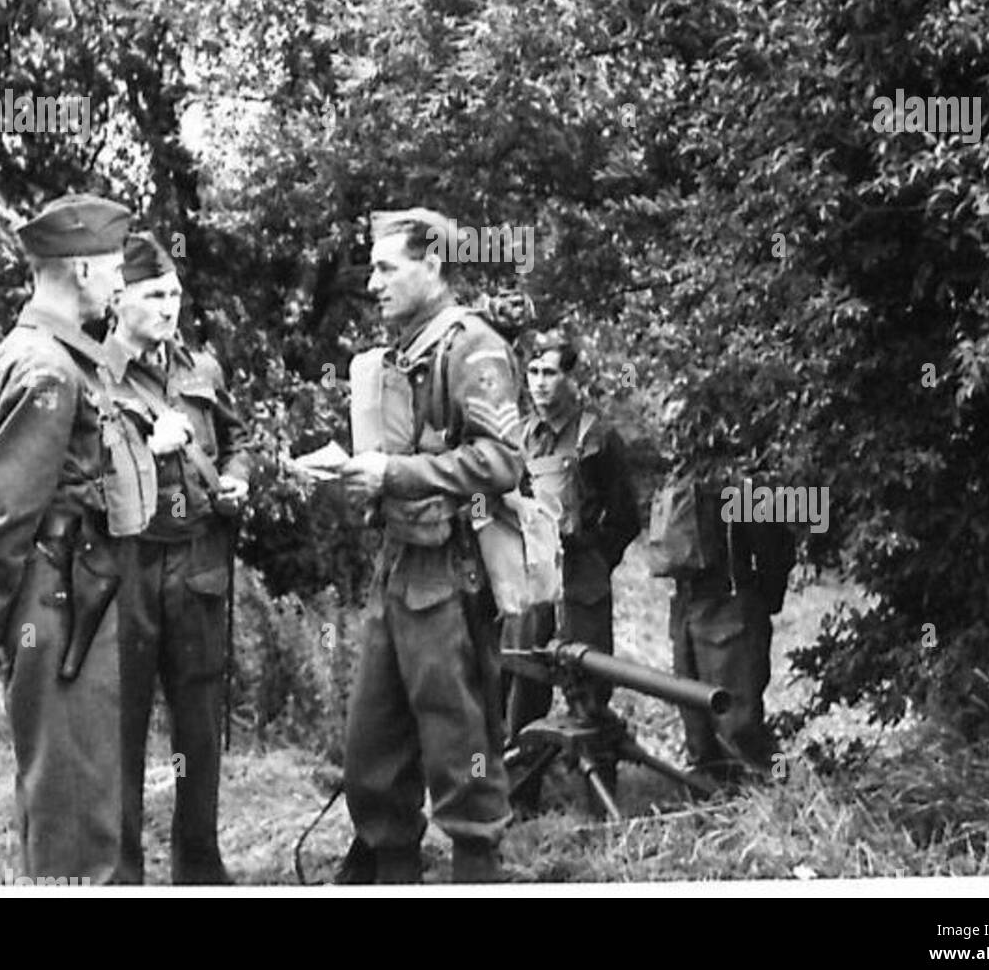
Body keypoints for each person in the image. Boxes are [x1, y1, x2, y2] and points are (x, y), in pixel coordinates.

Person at [336, 207, 523, 884]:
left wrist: (398, 473)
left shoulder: (474, 347)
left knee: (458, 738)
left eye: (388, 268)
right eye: (374, 268)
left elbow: (503, 461)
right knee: (372, 745)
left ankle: (477, 867)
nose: (373, 283)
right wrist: (365, 480)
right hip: (399, 564)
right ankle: (391, 864)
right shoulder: (401, 352)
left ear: (432, 265)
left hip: (452, 571)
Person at [0, 192, 134, 883]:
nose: (121, 281)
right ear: (83, 272)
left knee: (62, 793)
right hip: (58, 604)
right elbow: (8, 515)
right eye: (116, 267)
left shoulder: (29, 350)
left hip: (60, 594)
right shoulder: (51, 371)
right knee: (74, 809)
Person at [102, 232, 254, 885]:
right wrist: (147, 451)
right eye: (155, 294)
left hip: (196, 565)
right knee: (120, 727)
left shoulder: (202, 368)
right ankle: (121, 870)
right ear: (117, 298)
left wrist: (238, 474)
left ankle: (200, 865)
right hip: (126, 569)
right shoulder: (90, 372)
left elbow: (239, 437)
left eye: (176, 293)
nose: (171, 306)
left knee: (198, 725)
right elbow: (75, 471)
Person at [502, 329, 642, 804]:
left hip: (582, 578)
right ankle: (521, 799)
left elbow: (626, 517)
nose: (539, 383)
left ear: (571, 377)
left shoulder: (598, 437)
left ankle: (597, 805)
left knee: (589, 690)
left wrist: (595, 558)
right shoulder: (520, 436)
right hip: (532, 579)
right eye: (533, 372)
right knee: (524, 686)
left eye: (550, 373)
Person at [660, 475, 795, 779]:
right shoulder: (681, 475)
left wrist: (757, 605)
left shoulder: (747, 483)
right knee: (697, 731)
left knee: (741, 731)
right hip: (687, 611)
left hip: (732, 612)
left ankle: (786, 789)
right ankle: (712, 807)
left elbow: (776, 552)